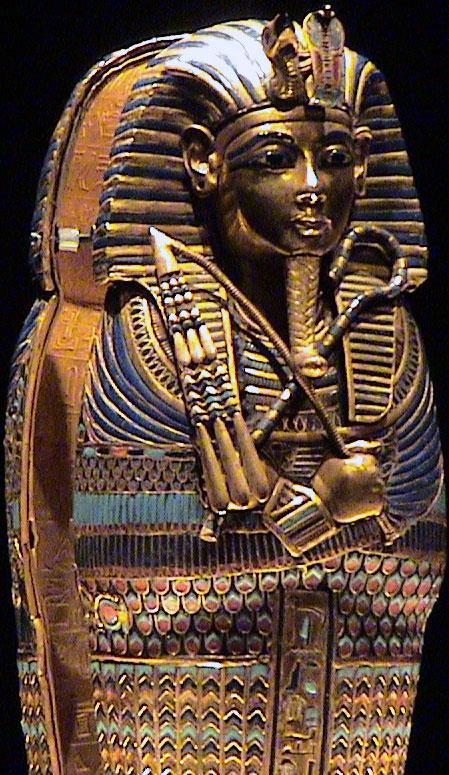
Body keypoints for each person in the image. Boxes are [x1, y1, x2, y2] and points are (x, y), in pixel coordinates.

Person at [11, 8, 446, 774]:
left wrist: (331, 512)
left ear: (364, 166)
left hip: (361, 678)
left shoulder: (381, 329)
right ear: (201, 163)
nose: (312, 187)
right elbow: (134, 552)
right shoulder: (156, 331)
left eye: (333, 158)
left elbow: (417, 547)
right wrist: (325, 513)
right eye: (276, 158)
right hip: (185, 686)